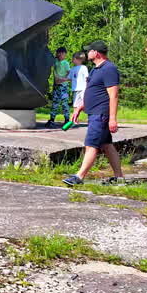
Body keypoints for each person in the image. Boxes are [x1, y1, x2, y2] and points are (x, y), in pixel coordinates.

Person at [63, 41, 123, 186]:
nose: (87, 53)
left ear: (96, 53)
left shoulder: (109, 69)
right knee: (107, 145)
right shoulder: (96, 69)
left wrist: (112, 119)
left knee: (91, 145)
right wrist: (79, 108)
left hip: (101, 114)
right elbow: (93, 91)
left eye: (89, 51)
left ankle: (79, 177)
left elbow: (113, 95)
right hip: (94, 113)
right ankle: (119, 178)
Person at [62, 51, 89, 130]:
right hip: (75, 90)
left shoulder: (84, 67)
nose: (72, 60)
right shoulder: (72, 69)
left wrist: (88, 88)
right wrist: (61, 79)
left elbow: (87, 78)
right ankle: (74, 121)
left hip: (83, 89)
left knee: (85, 105)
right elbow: (69, 78)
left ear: (77, 59)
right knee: (75, 106)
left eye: (73, 59)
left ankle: (91, 120)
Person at [46, 47, 72, 127]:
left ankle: (67, 120)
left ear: (64, 54)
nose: (61, 56)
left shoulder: (65, 63)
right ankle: (52, 119)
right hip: (56, 86)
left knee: (64, 104)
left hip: (63, 86)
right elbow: (50, 59)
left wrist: (63, 79)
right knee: (55, 103)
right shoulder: (56, 61)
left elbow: (69, 73)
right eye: (59, 54)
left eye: (63, 54)